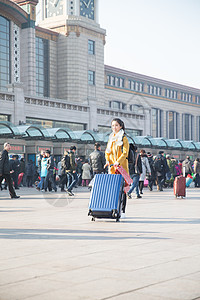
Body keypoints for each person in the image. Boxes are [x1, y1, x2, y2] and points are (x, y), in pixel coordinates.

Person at [105, 118, 129, 219]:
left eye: (116, 125)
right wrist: (107, 161)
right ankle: (114, 208)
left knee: (123, 189)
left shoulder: (124, 138)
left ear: (121, 126)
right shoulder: (111, 138)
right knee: (113, 189)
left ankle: (122, 210)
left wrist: (118, 162)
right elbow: (107, 152)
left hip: (122, 167)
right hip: (112, 168)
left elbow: (125, 152)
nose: (114, 128)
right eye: (113, 125)